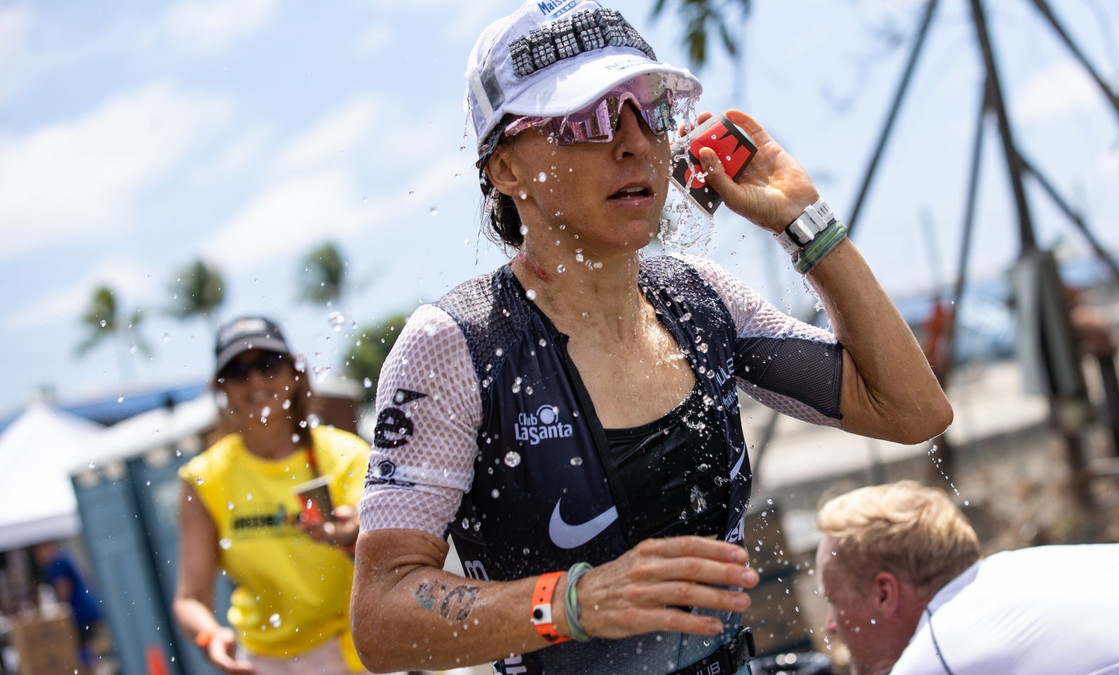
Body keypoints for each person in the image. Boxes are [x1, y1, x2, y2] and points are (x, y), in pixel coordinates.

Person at [350, 2, 952, 674]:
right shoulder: (459, 345)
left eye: (651, 108)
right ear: (505, 169)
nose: (633, 142)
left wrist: (802, 221)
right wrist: (572, 601)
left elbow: (911, 409)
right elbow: (380, 614)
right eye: (587, 118)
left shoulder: (700, 300)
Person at [815, 481, 1119, 674]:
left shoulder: (936, 656)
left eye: (834, 599)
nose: (831, 625)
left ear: (885, 593)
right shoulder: (1041, 566)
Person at [173, 317, 370, 675]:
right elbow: (189, 599)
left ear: (295, 372)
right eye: (238, 371)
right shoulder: (204, 477)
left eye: (268, 365)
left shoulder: (346, 455)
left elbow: (381, 542)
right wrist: (209, 637)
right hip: (259, 662)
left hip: (350, 651)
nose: (256, 381)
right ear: (222, 387)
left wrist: (351, 535)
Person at [32, 542, 105, 670]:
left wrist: (57, 606)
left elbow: (63, 588)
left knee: (80, 646)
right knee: (86, 646)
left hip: (80, 613)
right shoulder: (64, 557)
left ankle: (88, 669)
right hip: (86, 609)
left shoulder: (56, 563)